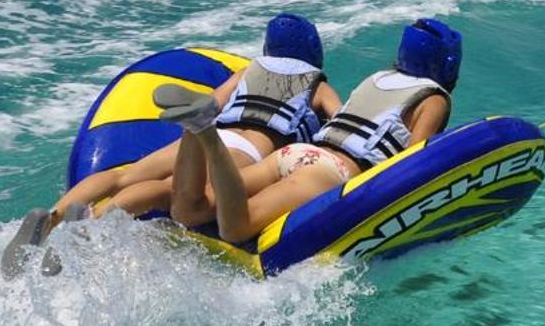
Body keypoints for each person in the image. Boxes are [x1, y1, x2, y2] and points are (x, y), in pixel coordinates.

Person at [0, 12, 341, 275]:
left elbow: (211, 105)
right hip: (245, 149)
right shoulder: (318, 85)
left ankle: (53, 216)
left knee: (124, 175)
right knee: (168, 189)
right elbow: (338, 130)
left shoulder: (249, 70)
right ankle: (92, 223)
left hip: (216, 131)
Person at [153, 18, 461, 246]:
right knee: (236, 227)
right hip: (327, 172)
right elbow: (415, 160)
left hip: (295, 155)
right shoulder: (433, 98)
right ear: (448, 64)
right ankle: (205, 131)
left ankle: (193, 131)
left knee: (191, 211)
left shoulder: (378, 79)